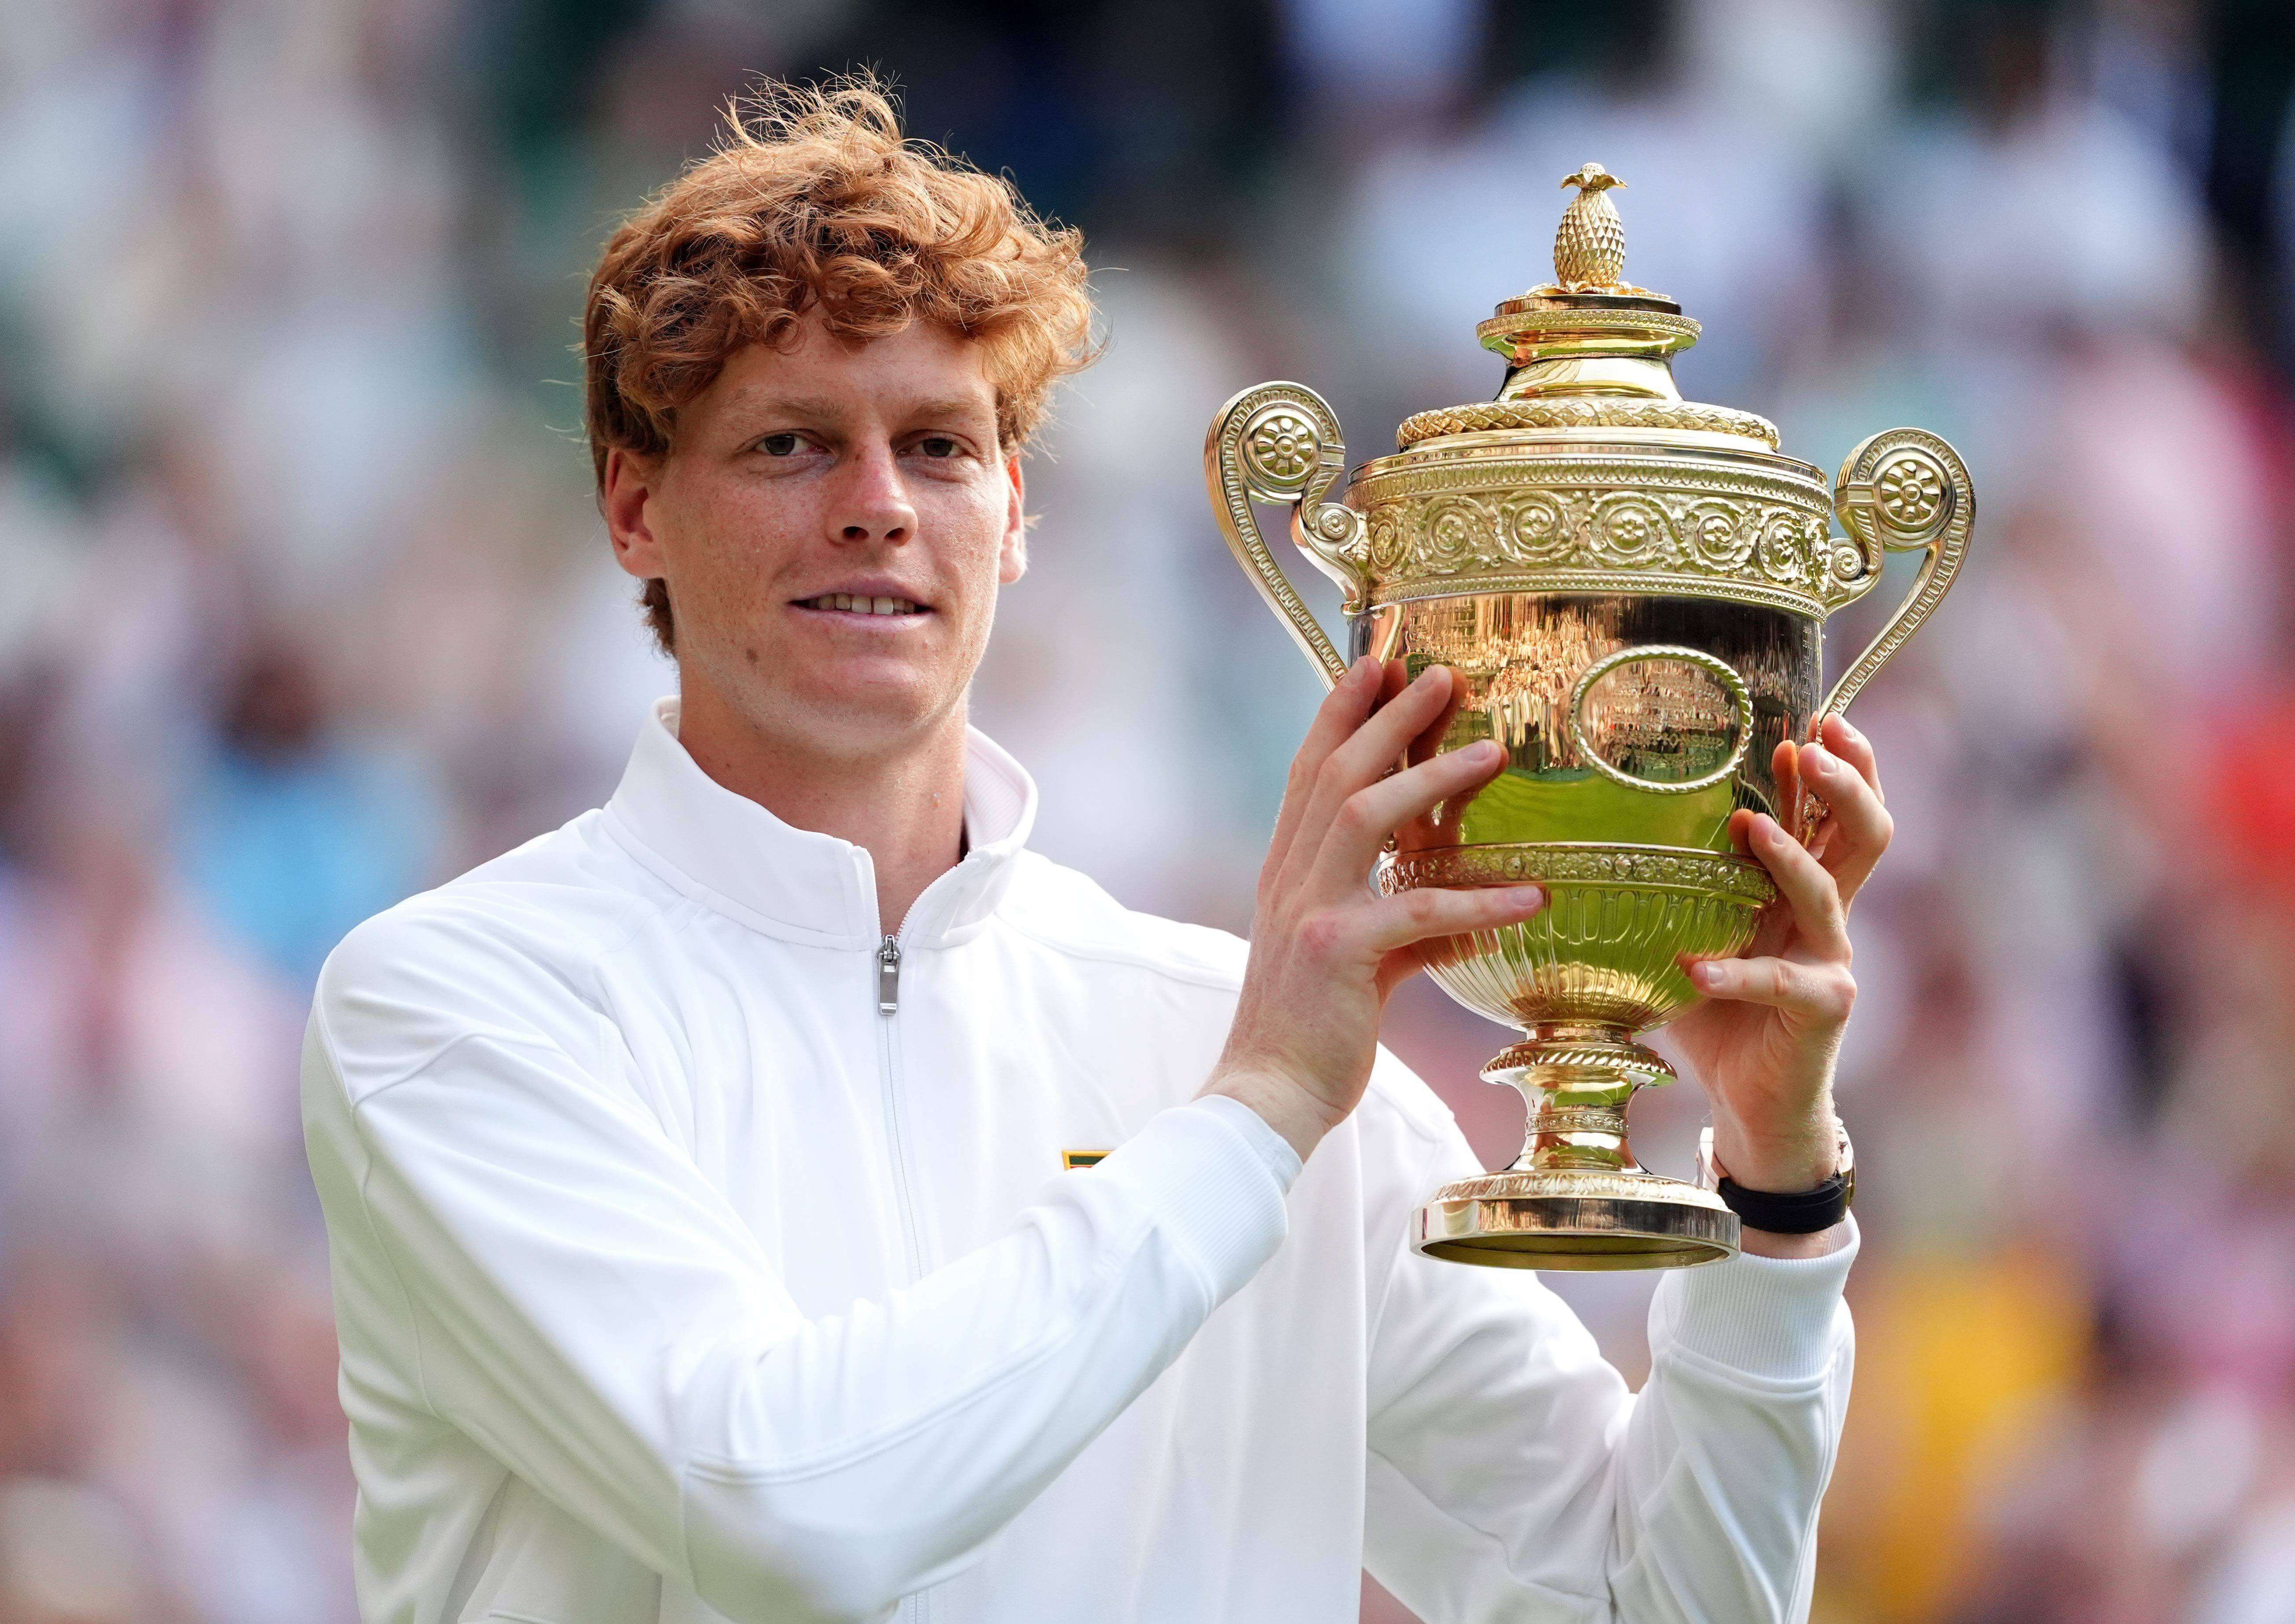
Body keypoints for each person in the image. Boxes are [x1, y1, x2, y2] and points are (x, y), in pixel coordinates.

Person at [302, 80, 1884, 1624]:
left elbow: (1662, 1599)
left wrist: (1777, 1179)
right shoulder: (457, 1001)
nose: (877, 507)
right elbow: (787, 1513)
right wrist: (1254, 1116)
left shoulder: (1236, 1046)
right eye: (790, 443)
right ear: (634, 507)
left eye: (938, 446)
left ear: (1015, 511)